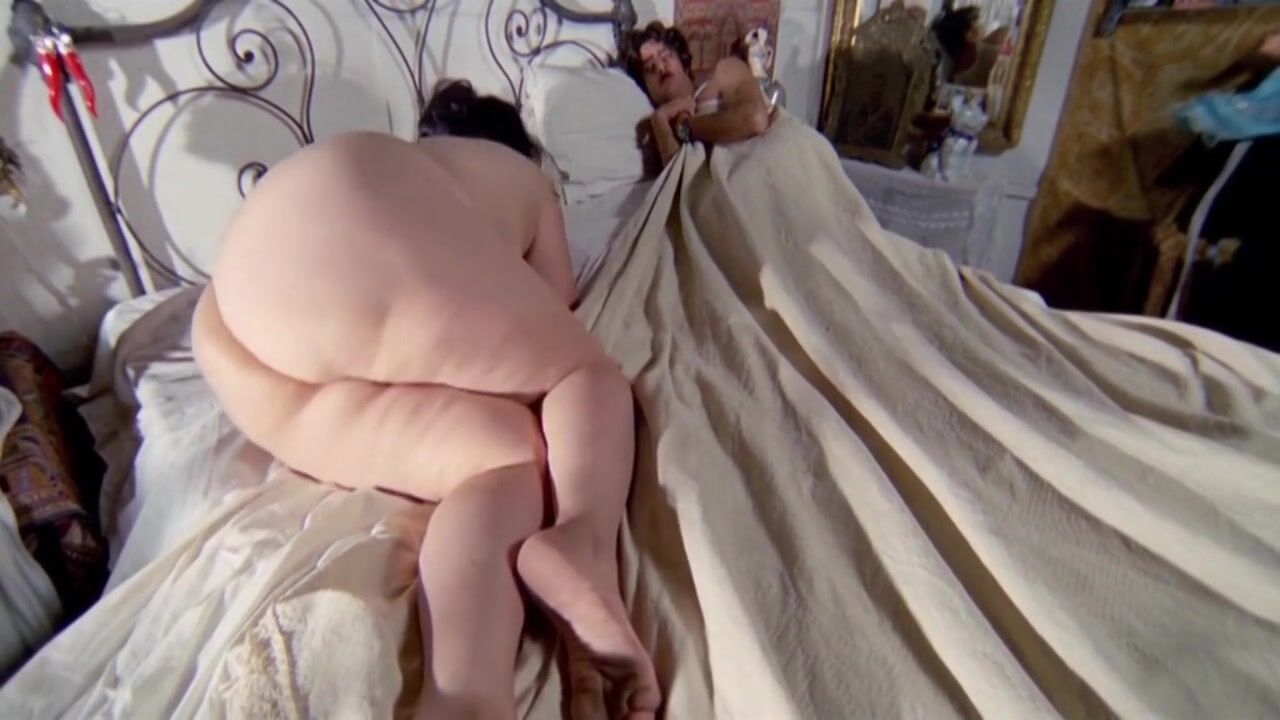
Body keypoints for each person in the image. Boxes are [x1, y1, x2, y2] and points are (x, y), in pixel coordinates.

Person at [191, 80, 660, 719]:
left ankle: (466, 693)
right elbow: (556, 310)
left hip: (234, 333)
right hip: (344, 205)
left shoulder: (434, 170)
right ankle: (584, 540)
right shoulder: (521, 178)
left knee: (507, 453)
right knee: (582, 373)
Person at [620, 21, 773, 166]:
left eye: (665, 56)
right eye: (650, 67)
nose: (660, 67)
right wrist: (660, 120)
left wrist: (686, 127)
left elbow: (755, 119)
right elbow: (679, 181)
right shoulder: (662, 125)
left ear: (683, 62)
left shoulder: (724, 72)